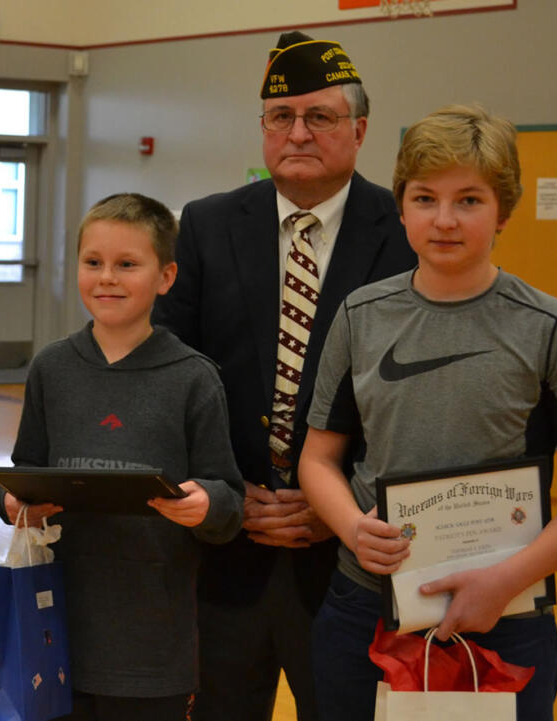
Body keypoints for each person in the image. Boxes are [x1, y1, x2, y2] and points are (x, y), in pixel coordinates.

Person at [299, 105, 557, 721]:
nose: (444, 220)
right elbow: (319, 459)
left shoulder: (550, 326)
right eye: (424, 198)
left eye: (469, 200)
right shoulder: (361, 315)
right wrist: (353, 528)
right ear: (401, 204)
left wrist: (506, 580)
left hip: (506, 615)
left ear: (504, 211)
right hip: (367, 607)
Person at [152, 31, 416, 721]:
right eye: (280, 117)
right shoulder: (206, 226)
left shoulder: (404, 231)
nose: (297, 132)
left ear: (359, 130)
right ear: (263, 129)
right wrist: (228, 489)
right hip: (225, 553)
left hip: (351, 564)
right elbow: (172, 375)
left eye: (320, 117)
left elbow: (412, 399)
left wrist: (337, 508)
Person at [0, 193, 245, 720]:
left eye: (127, 264)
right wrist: (15, 501)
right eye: (94, 263)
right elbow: (19, 480)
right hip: (54, 628)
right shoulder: (52, 368)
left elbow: (227, 498)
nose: (107, 277)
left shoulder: (193, 377)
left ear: (166, 276)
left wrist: (207, 504)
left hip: (152, 642)